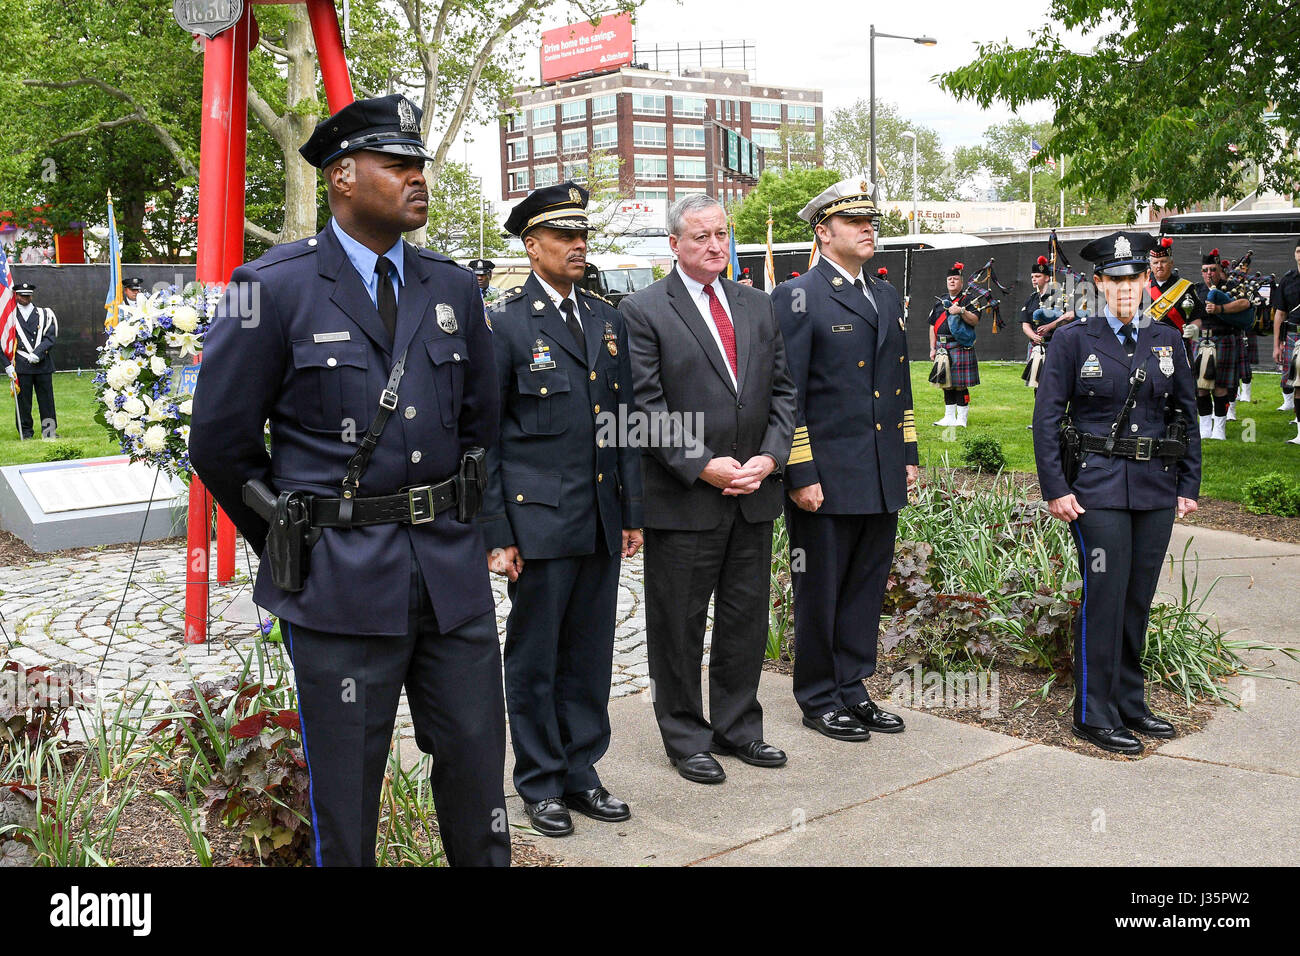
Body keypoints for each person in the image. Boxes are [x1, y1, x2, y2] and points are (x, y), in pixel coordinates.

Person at [189, 94, 509, 867]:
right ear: (341, 176)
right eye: (397, 165)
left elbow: (482, 421)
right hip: (338, 586)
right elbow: (220, 442)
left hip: (449, 576)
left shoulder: (452, 287)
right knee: (348, 788)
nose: (417, 178)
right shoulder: (269, 284)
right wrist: (295, 532)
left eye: (419, 164)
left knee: (476, 772)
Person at [478, 182, 644, 837]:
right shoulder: (507, 325)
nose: (579, 246)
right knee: (536, 658)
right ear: (532, 245)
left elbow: (624, 423)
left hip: (601, 520)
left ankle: (582, 772)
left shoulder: (607, 320)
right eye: (565, 237)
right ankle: (540, 781)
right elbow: (486, 437)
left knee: (589, 655)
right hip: (539, 523)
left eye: (583, 236)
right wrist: (497, 531)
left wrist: (632, 510)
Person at [621, 193, 797, 784]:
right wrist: (704, 465)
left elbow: (782, 393)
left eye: (721, 233)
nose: (715, 245)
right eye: (700, 237)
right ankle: (685, 735)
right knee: (678, 624)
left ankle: (739, 726)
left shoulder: (758, 305)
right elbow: (643, 408)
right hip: (686, 497)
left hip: (753, 495)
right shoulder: (644, 310)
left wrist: (770, 459)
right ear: (674, 245)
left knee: (745, 619)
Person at [1032, 231, 1200, 755]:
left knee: (1137, 599)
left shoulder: (1167, 339)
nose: (1127, 289)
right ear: (1099, 284)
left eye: (1136, 279)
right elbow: (1046, 420)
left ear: (1147, 281)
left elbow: (1185, 416)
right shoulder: (1073, 339)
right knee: (1105, 594)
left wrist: (1188, 485)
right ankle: (1093, 711)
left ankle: (1130, 700)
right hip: (1096, 487)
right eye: (1117, 280)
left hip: (1154, 488)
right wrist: (1055, 489)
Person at [771, 178, 916, 742]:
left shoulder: (881, 295)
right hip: (826, 474)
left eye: (870, 220)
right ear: (823, 233)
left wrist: (906, 454)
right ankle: (817, 695)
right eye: (854, 222)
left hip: (877, 470)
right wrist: (799, 471)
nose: (868, 228)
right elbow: (788, 392)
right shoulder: (799, 295)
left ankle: (853, 688)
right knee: (821, 587)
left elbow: (897, 385)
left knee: (864, 585)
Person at [1194, 249, 1252, 440]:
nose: (1209, 273)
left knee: (1221, 387)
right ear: (1201, 271)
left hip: (1225, 338)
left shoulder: (1232, 286)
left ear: (1219, 270)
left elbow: (1245, 303)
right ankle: (1205, 427)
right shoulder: (1195, 290)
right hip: (1202, 340)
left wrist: (1221, 308)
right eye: (1205, 270)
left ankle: (1219, 429)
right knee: (1201, 387)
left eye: (1213, 269)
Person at [928, 262, 980, 426]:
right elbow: (932, 325)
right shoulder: (940, 301)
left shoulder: (969, 300)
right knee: (946, 384)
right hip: (942, 347)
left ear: (961, 282)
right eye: (950, 279)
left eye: (955, 279)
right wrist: (932, 347)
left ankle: (961, 419)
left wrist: (962, 311)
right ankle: (949, 417)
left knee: (960, 385)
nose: (952, 281)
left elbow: (975, 320)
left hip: (959, 346)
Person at [10, 281, 59, 439]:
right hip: (22, 365)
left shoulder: (45, 313)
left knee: (47, 401)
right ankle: (26, 432)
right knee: (24, 402)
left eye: (28, 295)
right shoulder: (9, 316)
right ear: (16, 295)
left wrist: (38, 353)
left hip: (42, 363)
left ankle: (49, 431)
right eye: (22, 295)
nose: (25, 298)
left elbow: (50, 336)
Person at [1145, 237, 1203, 362]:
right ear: (1150, 265)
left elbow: (1197, 317)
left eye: (1163, 261)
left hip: (1179, 347)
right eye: (1155, 263)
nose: (1159, 266)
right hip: (1148, 348)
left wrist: (1194, 328)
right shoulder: (1141, 288)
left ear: (1171, 263)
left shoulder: (1185, 287)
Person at [1271, 238, 1300, 443]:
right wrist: (1276, 345)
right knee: (1298, 384)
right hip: (1293, 335)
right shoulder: (1288, 280)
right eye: (1298, 251)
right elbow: (1280, 314)